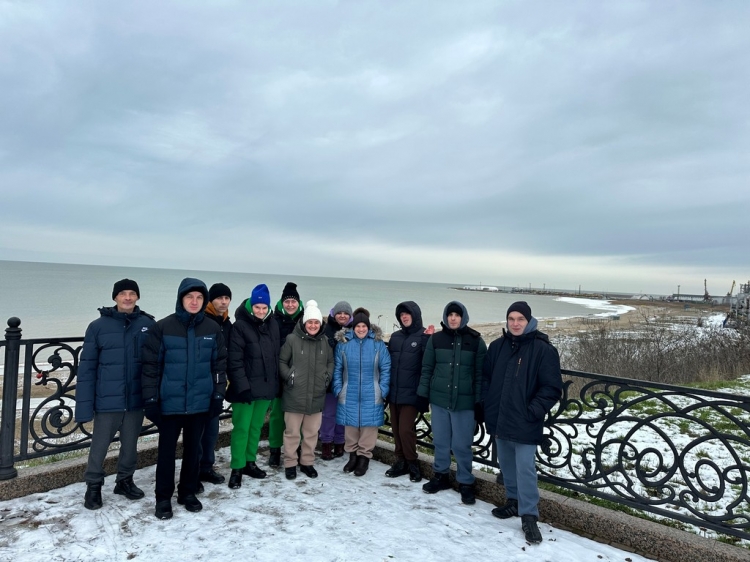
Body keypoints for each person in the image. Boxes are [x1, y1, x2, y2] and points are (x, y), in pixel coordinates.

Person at [142, 278, 227, 520]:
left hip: (200, 402)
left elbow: (219, 366)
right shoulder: (163, 327)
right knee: (166, 454)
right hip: (170, 403)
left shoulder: (212, 329)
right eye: (190, 297)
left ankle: (187, 492)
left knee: (193, 452)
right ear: (181, 299)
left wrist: (217, 395)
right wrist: (151, 399)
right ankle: (163, 498)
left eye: (199, 297)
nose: (194, 301)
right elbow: (150, 367)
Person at [481, 301, 562, 544]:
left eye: (520, 319)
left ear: (529, 321)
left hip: (525, 421)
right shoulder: (497, 347)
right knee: (506, 465)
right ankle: (513, 501)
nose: (515, 324)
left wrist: (533, 411)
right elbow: (486, 379)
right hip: (500, 418)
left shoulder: (543, 350)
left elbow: (551, 388)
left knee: (525, 468)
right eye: (511, 319)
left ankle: (529, 516)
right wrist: (487, 405)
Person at [75, 279, 155, 510]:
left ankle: (125, 481)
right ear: (115, 297)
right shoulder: (98, 327)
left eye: (132, 293)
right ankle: (93, 486)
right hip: (107, 400)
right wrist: (84, 406)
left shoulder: (148, 324)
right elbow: (87, 368)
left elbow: (154, 362)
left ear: (137, 297)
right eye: (122, 294)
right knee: (99, 445)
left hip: (135, 398)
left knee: (130, 445)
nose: (127, 298)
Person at [417, 301, 486, 505]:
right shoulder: (436, 339)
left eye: (457, 315)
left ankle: (465, 482)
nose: (453, 318)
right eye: (450, 315)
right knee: (440, 441)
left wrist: (479, 402)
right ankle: (441, 475)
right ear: (445, 317)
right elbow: (427, 368)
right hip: (439, 401)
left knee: (462, 445)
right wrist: (423, 395)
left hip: (465, 403)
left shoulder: (476, 341)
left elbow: (481, 375)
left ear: (463, 317)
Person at [226, 283, 280, 489]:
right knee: (242, 428)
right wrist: (242, 387)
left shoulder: (272, 325)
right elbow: (235, 361)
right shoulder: (240, 326)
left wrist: (274, 384)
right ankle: (237, 468)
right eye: (257, 307)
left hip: (265, 388)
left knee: (256, 427)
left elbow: (275, 356)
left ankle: (250, 462)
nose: (261, 311)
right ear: (250, 305)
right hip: (245, 390)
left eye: (264, 307)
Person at [279, 300, 334, 480]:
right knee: (292, 433)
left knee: (311, 433)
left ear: (320, 324)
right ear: (304, 323)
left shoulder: (324, 341)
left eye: (316, 322)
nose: (313, 325)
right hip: (294, 394)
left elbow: (330, 362)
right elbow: (282, 361)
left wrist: (326, 377)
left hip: (316, 395)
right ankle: (290, 463)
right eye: (310, 322)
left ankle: (307, 462)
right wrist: (289, 376)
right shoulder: (292, 339)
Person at [332, 307, 390, 477]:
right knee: (350, 426)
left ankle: (363, 457)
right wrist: (338, 388)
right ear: (353, 327)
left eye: (364, 326)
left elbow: (386, 368)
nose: (361, 329)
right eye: (358, 326)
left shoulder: (378, 344)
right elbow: (337, 369)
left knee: (368, 426)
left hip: (371, 392)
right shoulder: (344, 344)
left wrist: (382, 389)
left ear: (368, 327)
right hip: (349, 391)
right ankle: (352, 456)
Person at [385, 301, 434, 483]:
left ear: (415, 315)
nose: (404, 317)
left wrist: (428, 340)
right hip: (394, 391)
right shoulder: (395, 337)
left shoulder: (423, 336)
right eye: (401, 314)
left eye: (407, 314)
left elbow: (428, 364)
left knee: (405, 429)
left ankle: (412, 462)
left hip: (412, 393)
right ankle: (401, 461)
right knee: (396, 429)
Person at [197, 283, 233, 486]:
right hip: (201, 381)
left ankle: (206, 467)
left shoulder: (227, 323)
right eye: (219, 298)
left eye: (226, 298)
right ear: (210, 300)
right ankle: (194, 469)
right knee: (197, 430)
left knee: (212, 429)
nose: (223, 302)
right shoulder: (202, 319)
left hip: (218, 382)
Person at [268, 281, 305, 468]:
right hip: (278, 375)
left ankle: (297, 448)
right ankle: (275, 449)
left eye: (293, 301)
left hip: (300, 377)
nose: (290, 305)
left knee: (299, 416)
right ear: (282, 303)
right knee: (277, 415)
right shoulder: (273, 320)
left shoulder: (305, 322)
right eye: (287, 301)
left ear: (299, 303)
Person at [320, 301, 352, 459]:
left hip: (347, 380)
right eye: (339, 313)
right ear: (334, 314)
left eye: (346, 313)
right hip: (330, 379)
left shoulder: (353, 330)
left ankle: (340, 442)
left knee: (343, 413)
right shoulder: (326, 330)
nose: (342, 316)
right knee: (329, 414)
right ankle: (326, 443)